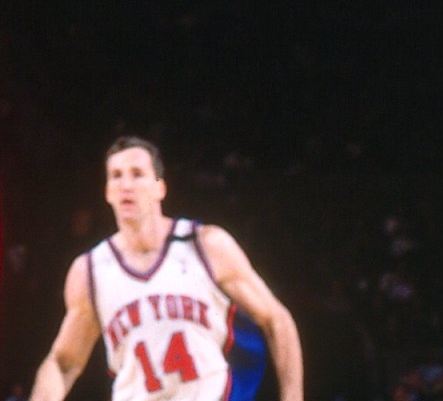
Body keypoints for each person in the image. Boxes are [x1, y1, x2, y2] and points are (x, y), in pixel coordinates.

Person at [27, 139, 304, 401]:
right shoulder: (90, 271)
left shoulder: (206, 245)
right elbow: (64, 363)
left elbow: (277, 320)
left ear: (160, 187)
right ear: (108, 192)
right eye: (116, 176)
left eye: (137, 174)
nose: (126, 185)